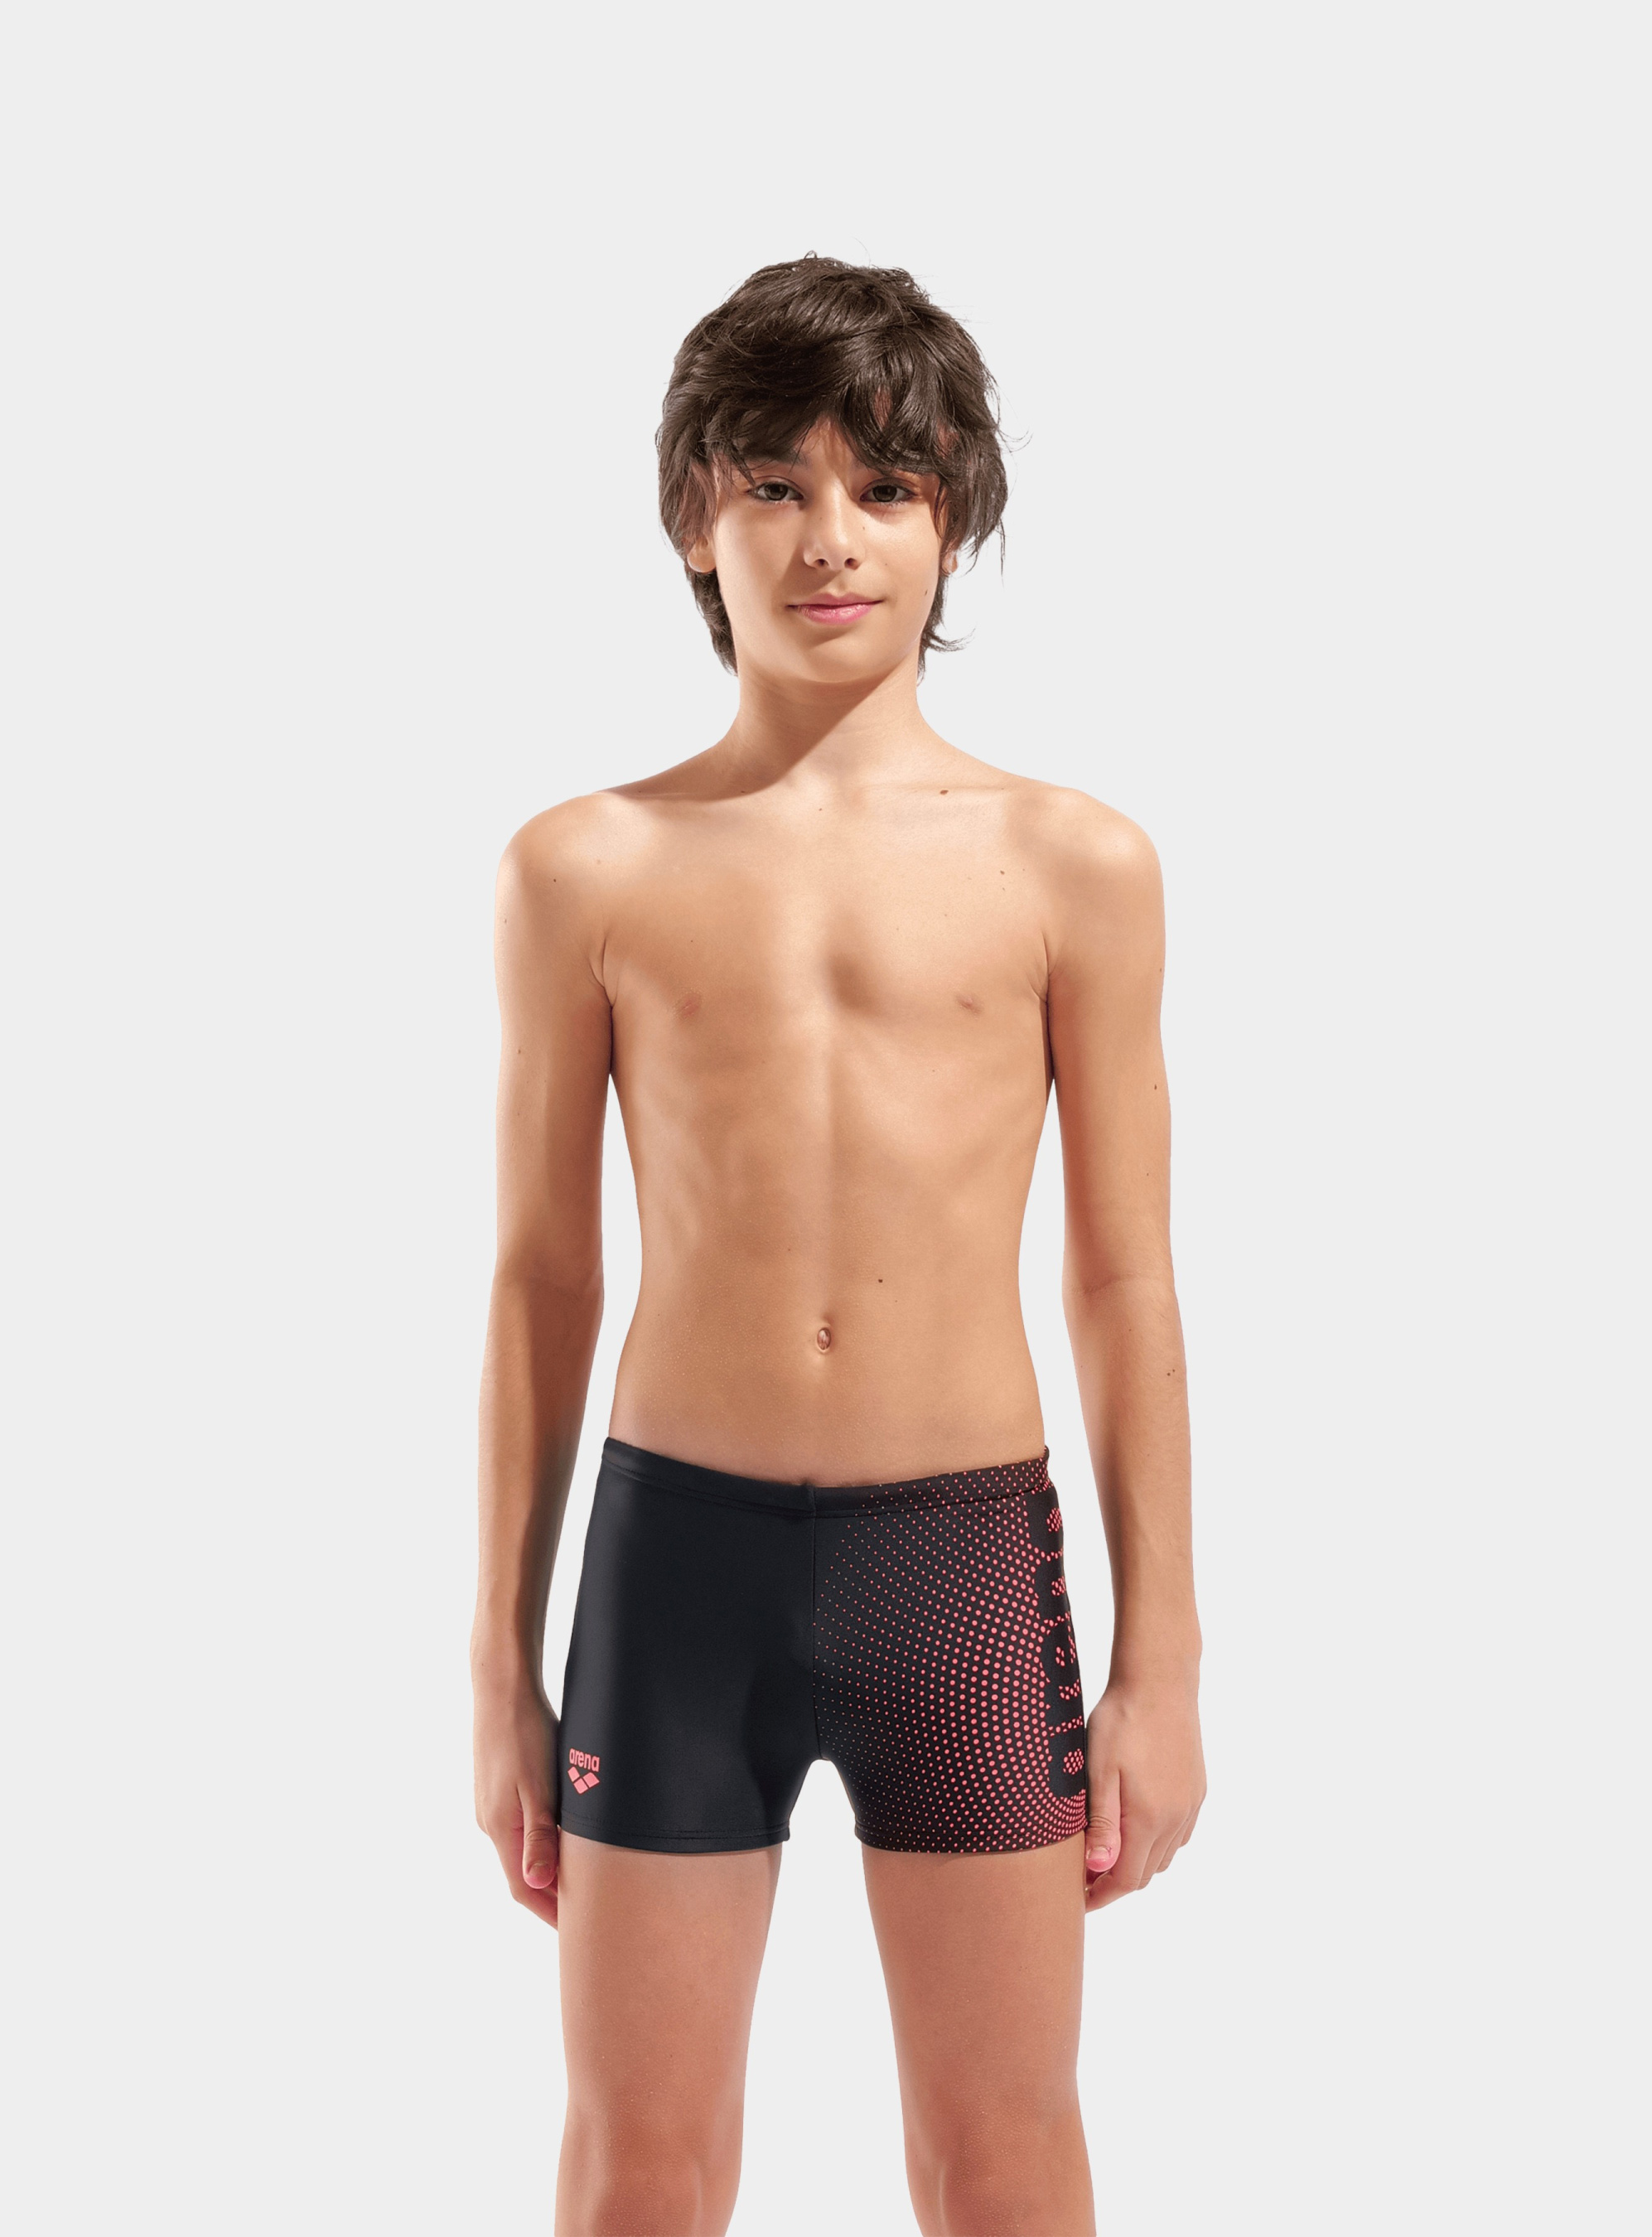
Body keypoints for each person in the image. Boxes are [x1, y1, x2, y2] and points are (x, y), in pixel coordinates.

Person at [471, 254, 1205, 2237]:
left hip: (953, 1562)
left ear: (948, 520)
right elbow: (541, 1277)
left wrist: (1161, 1659)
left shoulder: (1069, 863)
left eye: (881, 487)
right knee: (639, 2168)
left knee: (1002, 2159)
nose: (826, 541)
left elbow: (1123, 1277)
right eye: (771, 486)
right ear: (689, 517)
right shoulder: (584, 866)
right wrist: (497, 1658)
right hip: (671, 1563)